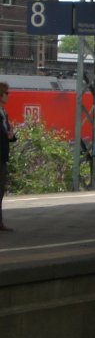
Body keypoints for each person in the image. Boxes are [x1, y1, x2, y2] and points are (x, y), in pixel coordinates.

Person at [0, 82, 15, 232]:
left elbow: (7, 131)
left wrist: (11, 135)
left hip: (3, 156)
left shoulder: (4, 113)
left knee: (1, 190)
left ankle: (0, 223)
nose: (8, 95)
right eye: (7, 93)